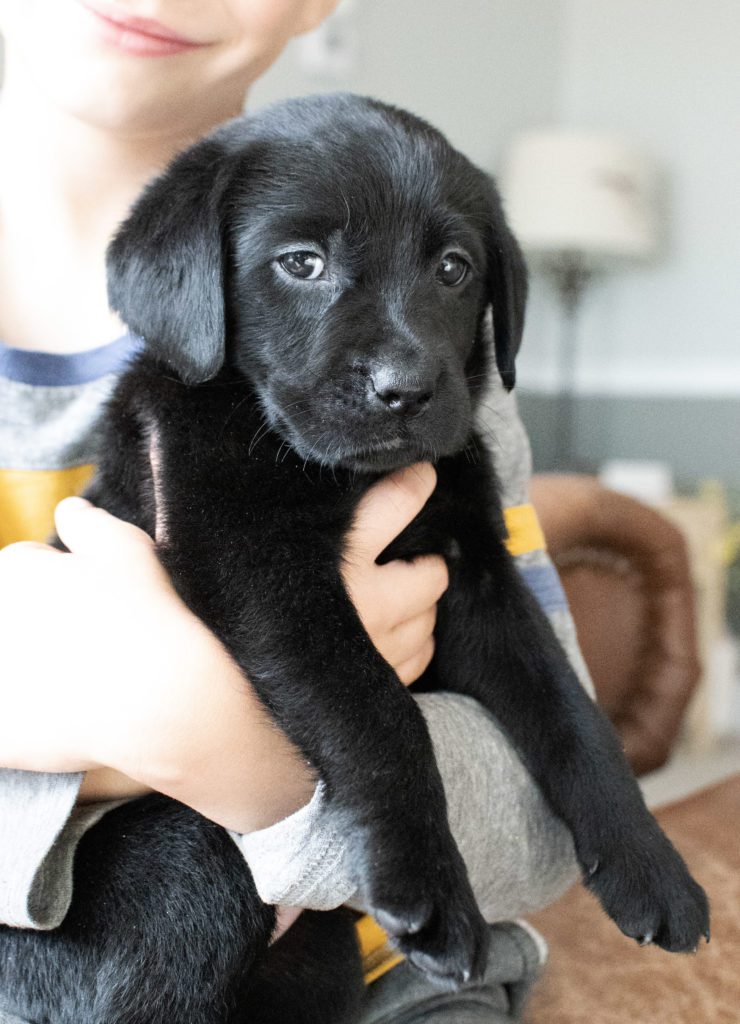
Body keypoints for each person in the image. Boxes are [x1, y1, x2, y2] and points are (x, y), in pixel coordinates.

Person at [0, 2, 589, 1021]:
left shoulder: (421, 370)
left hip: (380, 984)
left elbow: (551, 813)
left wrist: (244, 761)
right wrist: (115, 745)